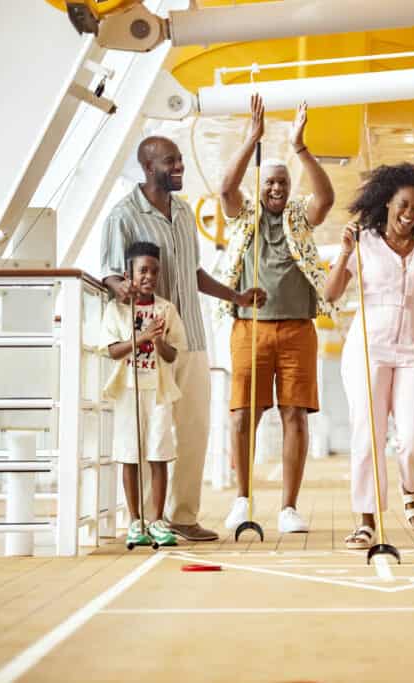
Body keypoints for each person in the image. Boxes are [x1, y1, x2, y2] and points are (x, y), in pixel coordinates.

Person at [100, 135, 264, 542]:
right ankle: (142, 521)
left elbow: (193, 274)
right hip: (147, 344)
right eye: (170, 162)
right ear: (147, 166)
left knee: (193, 429)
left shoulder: (185, 213)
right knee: (147, 434)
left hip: (189, 335)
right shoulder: (122, 216)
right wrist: (121, 288)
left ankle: (182, 517)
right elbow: (109, 272)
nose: (179, 168)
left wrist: (236, 296)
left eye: (179, 161)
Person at [324, 162, 414, 550]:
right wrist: (343, 253)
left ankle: (410, 485)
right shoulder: (363, 242)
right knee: (366, 433)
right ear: (387, 202)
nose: (409, 215)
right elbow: (331, 294)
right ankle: (366, 520)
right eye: (403, 205)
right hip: (368, 345)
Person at [216, 95, 336, 534]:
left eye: (283, 183)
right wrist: (253, 138)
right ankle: (242, 500)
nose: (277, 189)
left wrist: (299, 147)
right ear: (261, 185)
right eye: (270, 183)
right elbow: (226, 189)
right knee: (242, 415)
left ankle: (288, 508)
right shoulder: (243, 214)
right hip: (248, 328)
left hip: (298, 329)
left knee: (294, 414)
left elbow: (326, 196)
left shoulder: (300, 217)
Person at [101, 241, 186, 548]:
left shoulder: (166, 309)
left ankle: (158, 520)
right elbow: (113, 351)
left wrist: (158, 339)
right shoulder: (117, 309)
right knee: (129, 455)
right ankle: (135, 521)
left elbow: (172, 355)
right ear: (128, 274)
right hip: (129, 391)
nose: (149, 276)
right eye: (143, 270)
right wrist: (142, 337)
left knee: (159, 455)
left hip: (158, 393)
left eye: (154, 271)